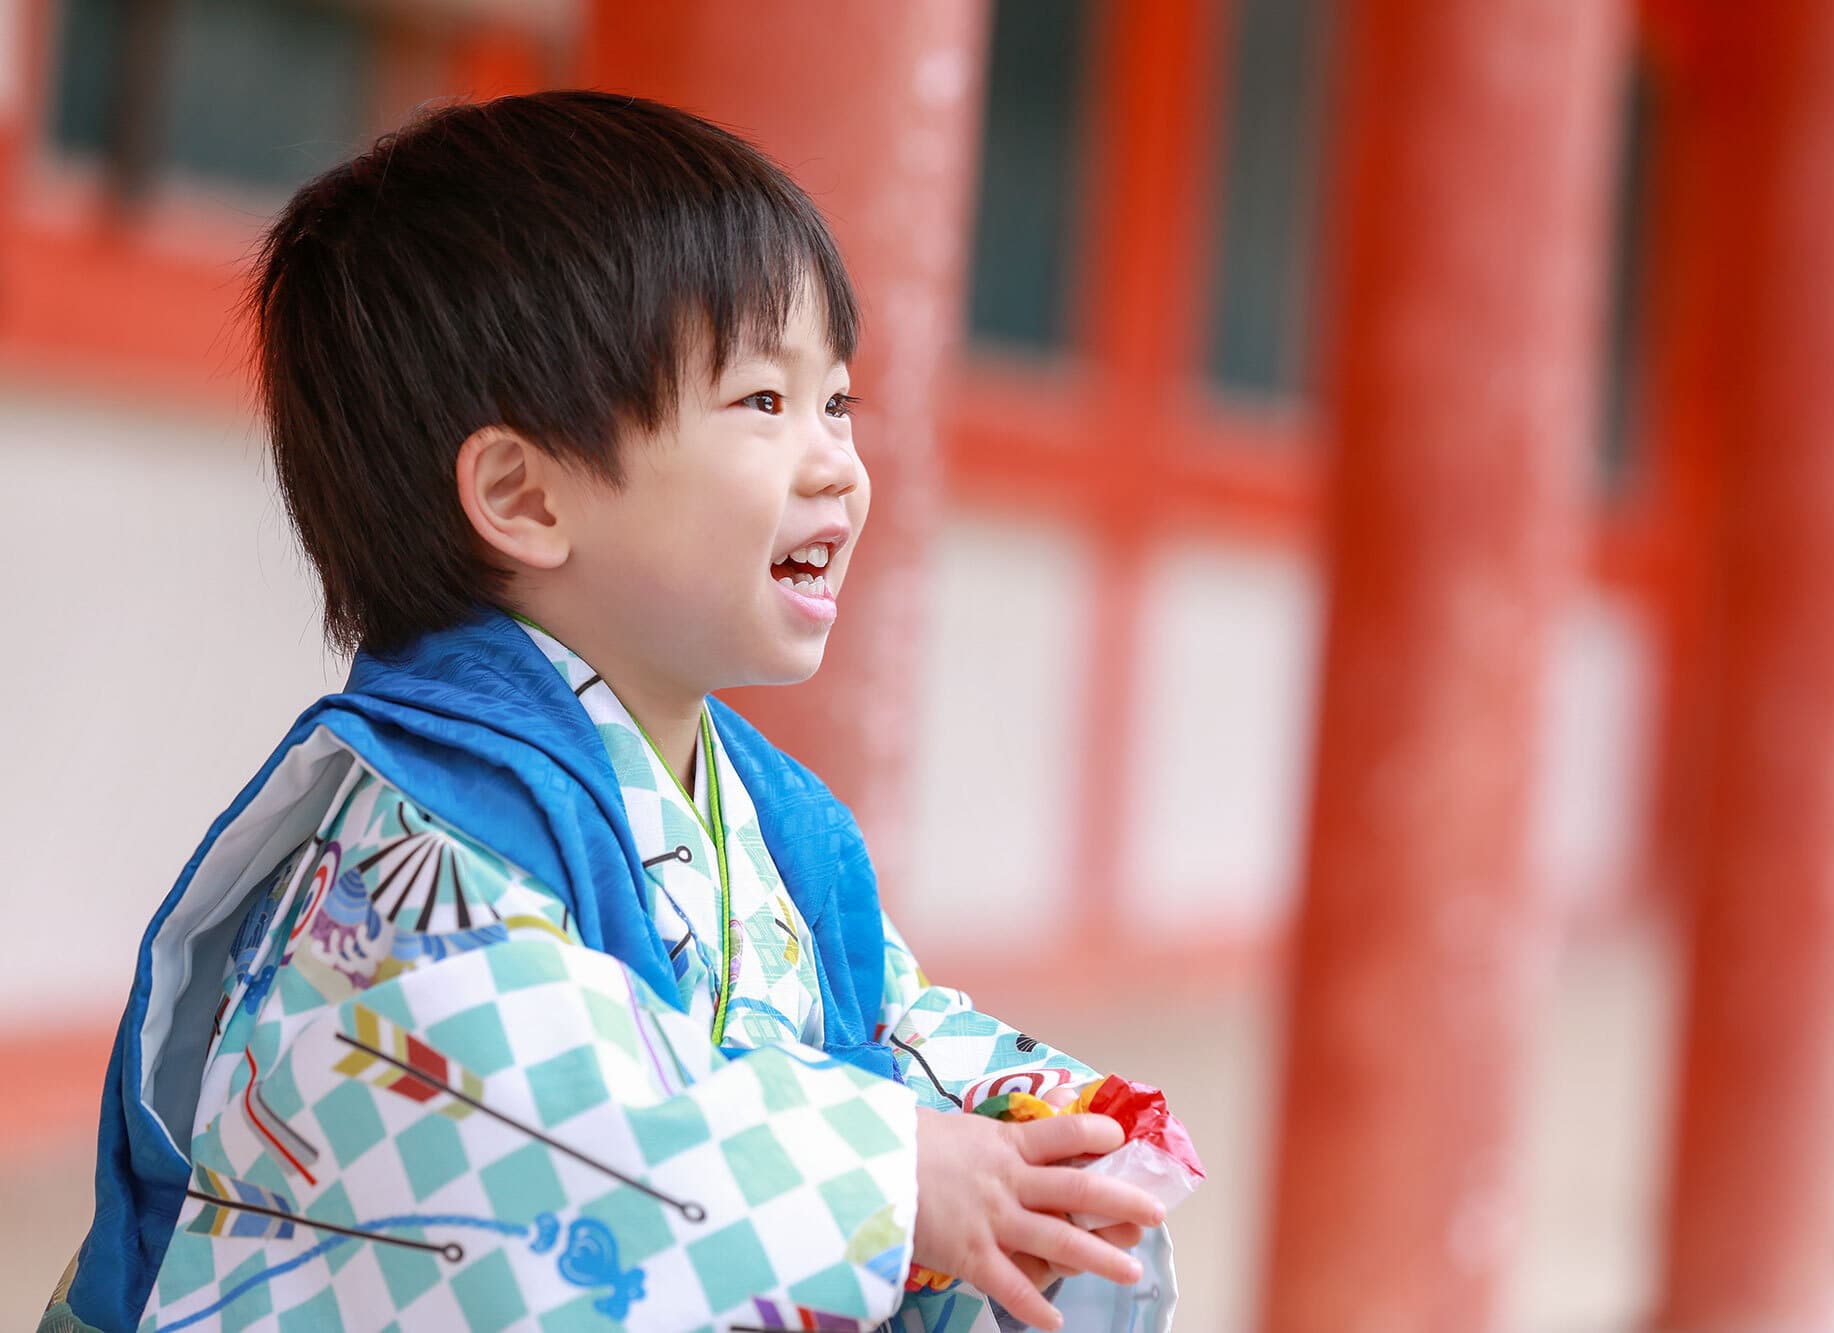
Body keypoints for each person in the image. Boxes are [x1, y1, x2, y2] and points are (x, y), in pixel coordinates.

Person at [42, 91, 1181, 1333]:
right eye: (762, 404)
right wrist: (896, 1177)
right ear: (526, 497)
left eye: (837, 402)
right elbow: (575, 1121)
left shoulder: (758, 812)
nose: (835, 463)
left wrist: (1044, 1135)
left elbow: (876, 1027)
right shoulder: (415, 840)